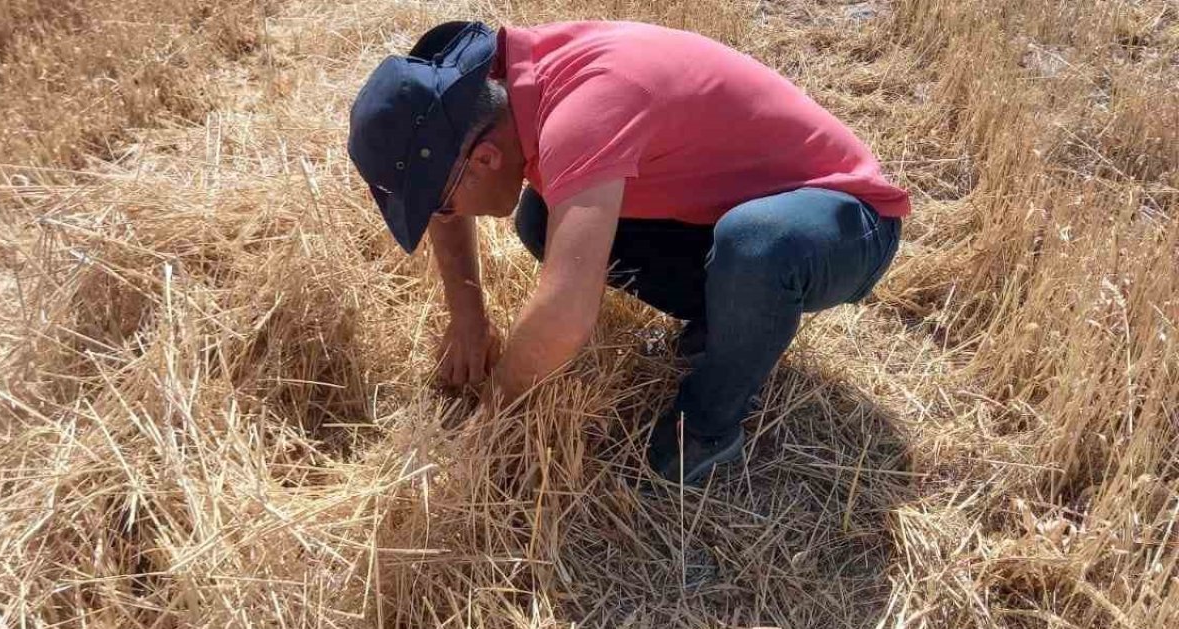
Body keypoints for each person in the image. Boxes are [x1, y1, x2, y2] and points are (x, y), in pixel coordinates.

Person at [347, 20, 909, 487]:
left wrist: (490, 422)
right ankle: (729, 315)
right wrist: (468, 317)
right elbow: (446, 181)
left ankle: (710, 424)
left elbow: (567, 314)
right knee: (543, 219)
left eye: (441, 204)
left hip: (846, 221)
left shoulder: (584, 110)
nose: (445, 216)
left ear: (488, 160)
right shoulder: (485, 95)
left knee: (757, 248)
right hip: (738, 213)